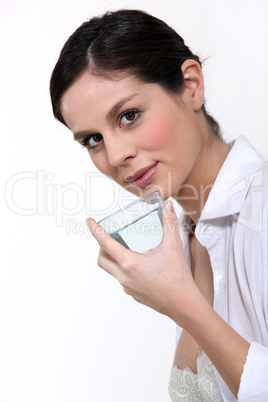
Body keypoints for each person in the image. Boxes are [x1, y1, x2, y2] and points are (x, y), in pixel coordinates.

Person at [50, 9, 268, 401]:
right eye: (93, 140)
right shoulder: (186, 237)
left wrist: (184, 305)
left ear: (191, 86)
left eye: (129, 115)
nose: (115, 155)